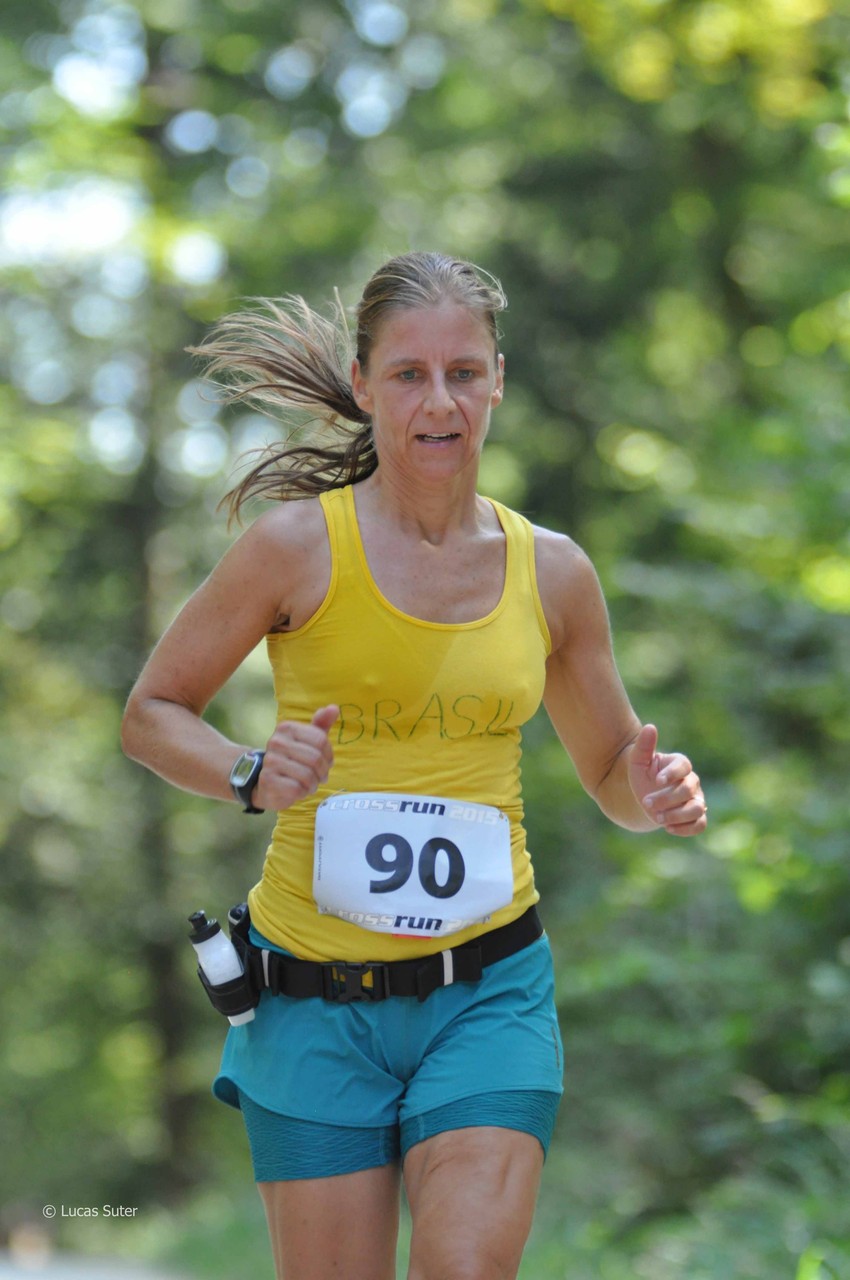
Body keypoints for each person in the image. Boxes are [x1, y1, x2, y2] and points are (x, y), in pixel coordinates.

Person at [121, 251, 707, 1280]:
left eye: (464, 372)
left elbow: (615, 765)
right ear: (363, 384)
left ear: (497, 380)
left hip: (488, 990)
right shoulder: (294, 548)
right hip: (310, 1000)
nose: (440, 401)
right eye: (409, 374)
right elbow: (151, 713)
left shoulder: (553, 572)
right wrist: (249, 772)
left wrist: (652, 792)